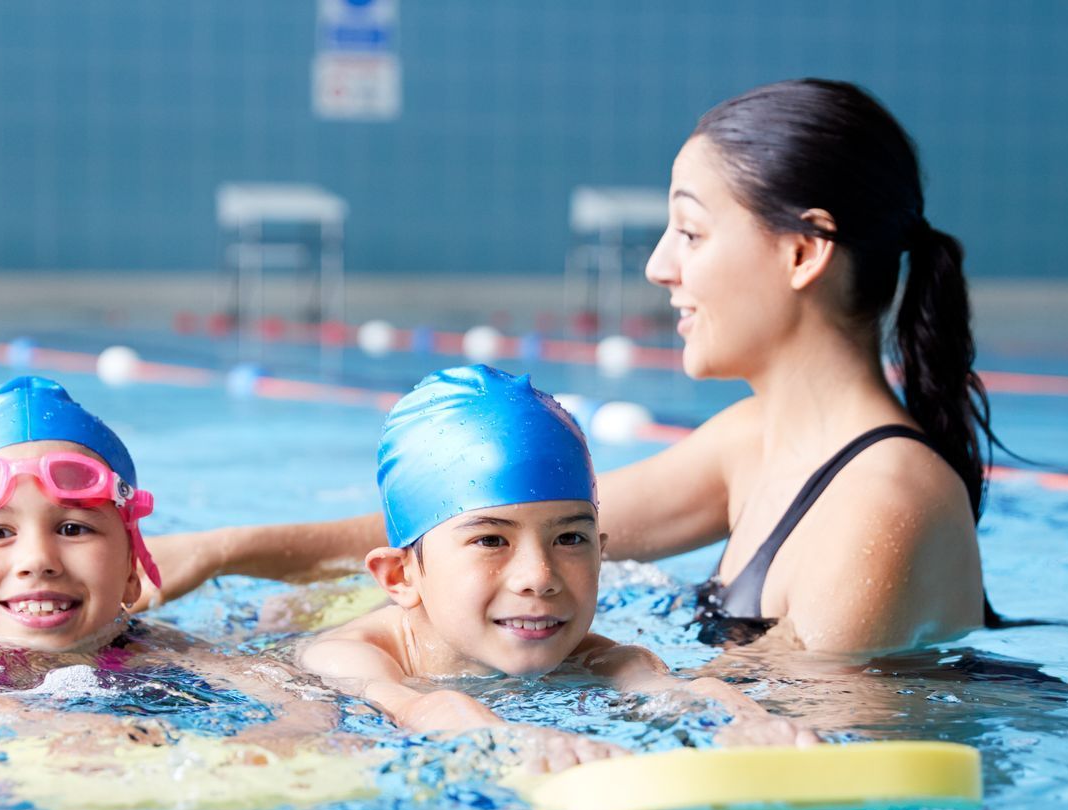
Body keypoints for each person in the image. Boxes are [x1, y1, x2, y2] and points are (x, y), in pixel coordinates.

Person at [143, 79, 997, 658]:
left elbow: (779, 738)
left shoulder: (883, 503)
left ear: (804, 251)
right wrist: (222, 556)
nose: (661, 266)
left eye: (691, 233)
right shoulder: (758, 441)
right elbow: (478, 525)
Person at [298, 365, 812, 769]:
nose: (539, 577)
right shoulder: (346, 657)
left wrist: (737, 716)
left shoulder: (594, 656)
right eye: (490, 539)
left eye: (569, 538)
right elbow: (414, 706)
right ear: (400, 576)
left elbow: (659, 685)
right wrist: (501, 737)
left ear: (601, 552)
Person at [0, 376, 353, 766]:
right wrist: (60, 727)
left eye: (72, 527)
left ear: (132, 574)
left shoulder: (163, 649)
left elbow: (299, 698)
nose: (36, 559)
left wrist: (286, 735)